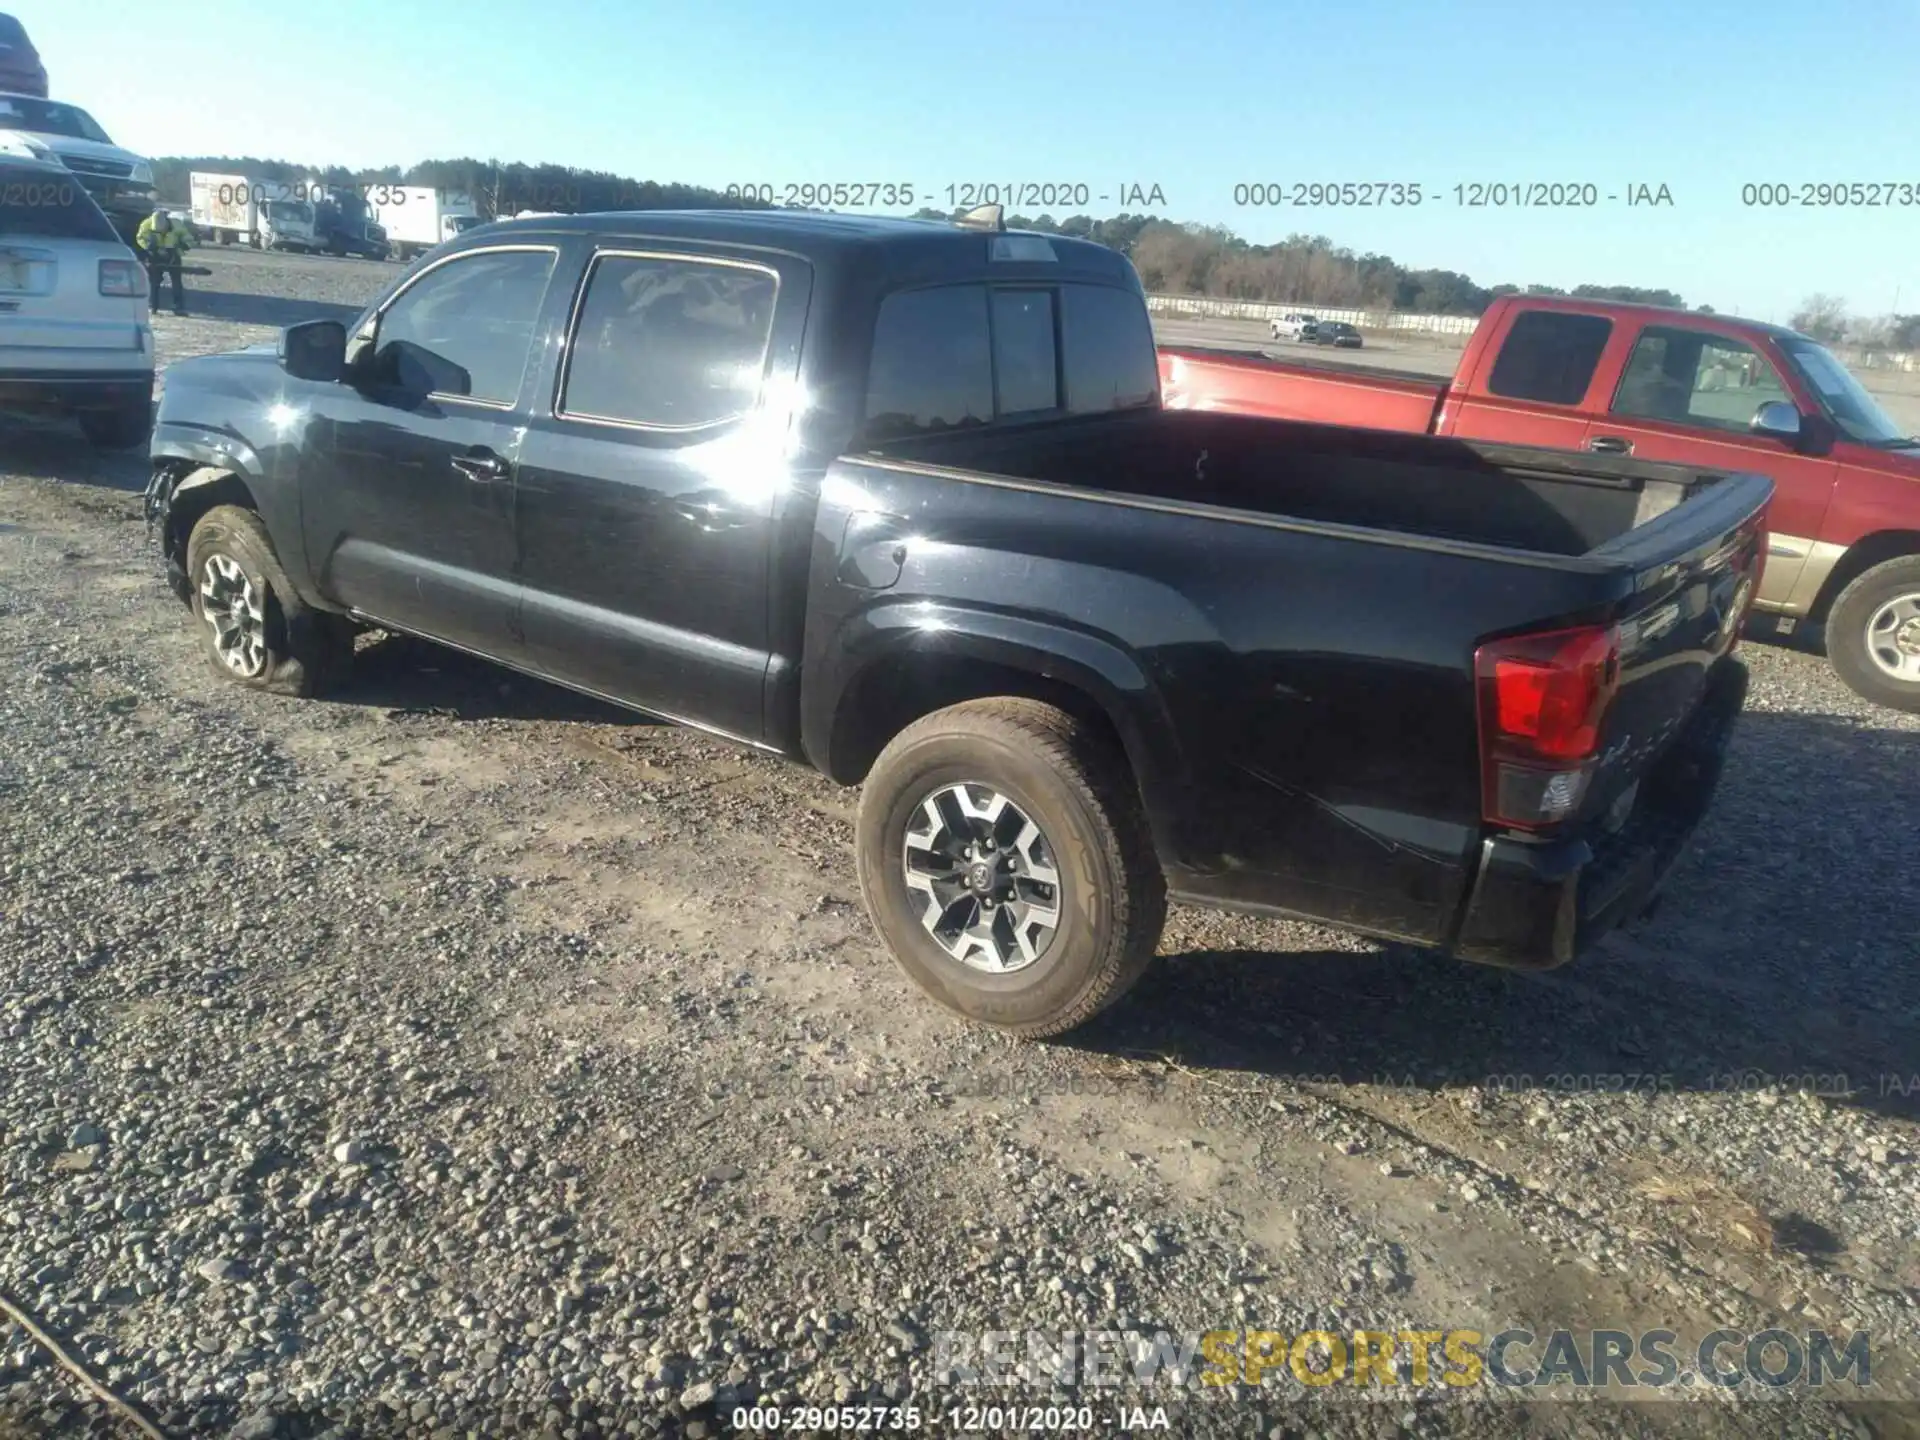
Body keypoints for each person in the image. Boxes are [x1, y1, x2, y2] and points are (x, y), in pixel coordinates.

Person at [134, 207, 192, 315]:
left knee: (176, 282)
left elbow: (188, 238)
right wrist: (148, 247)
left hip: (173, 254)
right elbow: (140, 238)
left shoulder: (177, 225)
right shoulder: (146, 225)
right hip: (155, 254)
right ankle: (153, 306)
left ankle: (178, 307)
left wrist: (185, 245)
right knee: (154, 282)